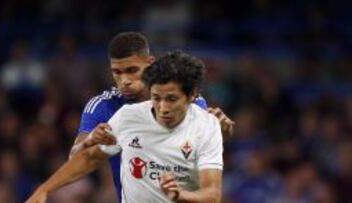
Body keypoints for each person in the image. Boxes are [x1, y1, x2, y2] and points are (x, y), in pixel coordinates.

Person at [25, 50, 223, 203]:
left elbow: (212, 195)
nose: (163, 108)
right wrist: (45, 189)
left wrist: (181, 195)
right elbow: (89, 157)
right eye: (156, 98)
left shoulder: (206, 126)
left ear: (191, 97)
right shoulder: (127, 117)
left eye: (171, 99)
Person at [70, 32, 234, 202]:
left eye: (132, 70)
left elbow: (207, 145)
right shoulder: (102, 106)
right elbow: (74, 157)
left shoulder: (189, 101)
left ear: (150, 64)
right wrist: (91, 139)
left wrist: (223, 132)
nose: (124, 80)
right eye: (117, 72)